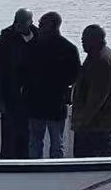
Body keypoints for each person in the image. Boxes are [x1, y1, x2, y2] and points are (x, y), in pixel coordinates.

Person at [19, 11, 79, 158]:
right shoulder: (68, 48)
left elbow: (74, 76)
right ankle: (41, 170)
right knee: (44, 142)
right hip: (44, 104)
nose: (38, 27)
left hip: (49, 104)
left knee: (50, 143)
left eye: (42, 24)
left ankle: (43, 170)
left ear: (52, 26)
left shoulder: (36, 47)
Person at [71, 23, 111, 158]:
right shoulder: (100, 54)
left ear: (96, 40)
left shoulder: (102, 61)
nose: (82, 43)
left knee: (94, 153)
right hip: (99, 120)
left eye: (85, 40)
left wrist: (81, 121)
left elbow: (97, 98)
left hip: (97, 121)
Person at [0, 9, 35, 160]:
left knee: (29, 138)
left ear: (30, 22)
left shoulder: (39, 38)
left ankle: (27, 169)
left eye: (22, 22)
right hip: (10, 99)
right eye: (17, 22)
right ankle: (7, 167)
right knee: (9, 139)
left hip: (31, 100)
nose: (18, 26)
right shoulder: (3, 41)